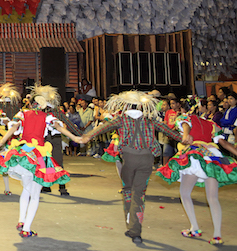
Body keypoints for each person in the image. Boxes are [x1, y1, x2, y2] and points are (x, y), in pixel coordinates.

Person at [79, 90, 189, 244]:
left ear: (125, 105)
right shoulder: (150, 119)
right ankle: (136, 231)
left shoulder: (121, 119)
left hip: (129, 159)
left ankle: (132, 227)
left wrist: (86, 137)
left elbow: (101, 129)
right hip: (147, 159)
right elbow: (172, 133)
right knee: (139, 194)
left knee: (127, 191)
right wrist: (186, 138)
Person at [0, 87, 79, 238]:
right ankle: (27, 228)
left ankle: (21, 221)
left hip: (23, 152)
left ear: (31, 104)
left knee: (26, 189)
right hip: (39, 155)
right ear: (44, 105)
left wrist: (3, 140)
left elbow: (14, 128)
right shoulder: (47, 117)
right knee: (35, 194)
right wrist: (75, 138)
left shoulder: (23, 113)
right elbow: (58, 127)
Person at [156, 107, 237, 245]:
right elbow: (223, 142)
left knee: (185, 193)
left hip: (196, 154)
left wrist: (186, 135)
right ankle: (217, 236)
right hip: (213, 157)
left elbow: (186, 124)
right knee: (213, 198)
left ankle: (195, 228)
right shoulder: (211, 124)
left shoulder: (186, 118)